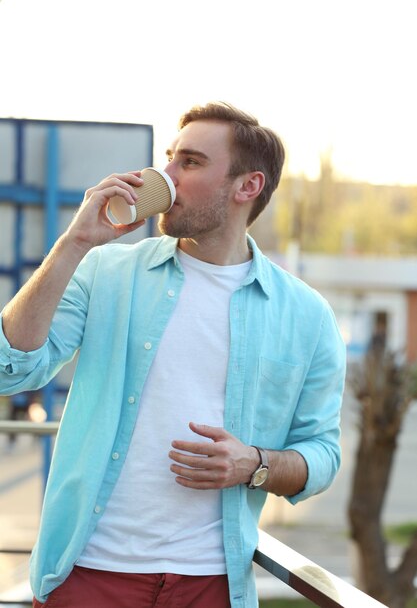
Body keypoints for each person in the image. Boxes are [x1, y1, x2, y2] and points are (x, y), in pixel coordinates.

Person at [0, 102, 346, 608]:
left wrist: (254, 463)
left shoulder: (307, 315)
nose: (163, 176)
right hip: (88, 573)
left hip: (211, 584)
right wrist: (74, 242)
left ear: (246, 186)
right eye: (169, 158)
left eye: (189, 162)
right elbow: (13, 369)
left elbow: (322, 453)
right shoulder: (104, 272)